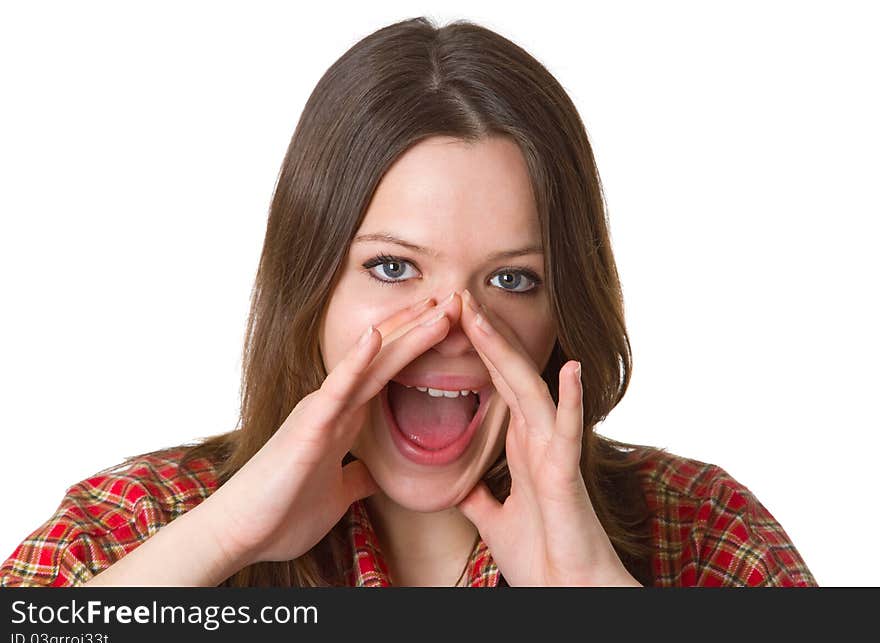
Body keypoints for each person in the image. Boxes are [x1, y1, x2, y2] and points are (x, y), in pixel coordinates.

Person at [0, 16, 816, 588]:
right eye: (392, 268)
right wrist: (225, 537)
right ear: (311, 285)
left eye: (512, 279)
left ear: (566, 312)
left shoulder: (703, 532)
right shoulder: (139, 524)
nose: (451, 327)